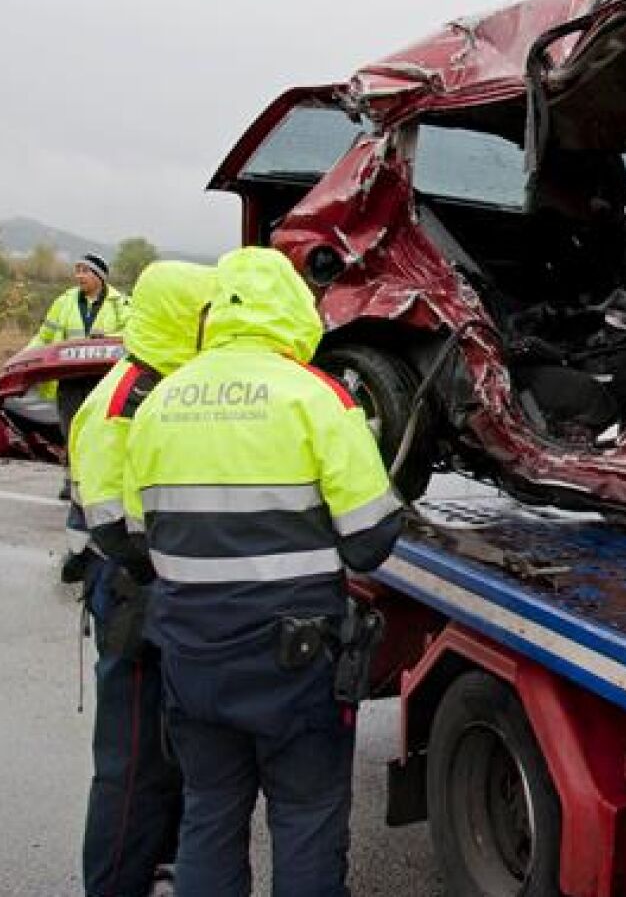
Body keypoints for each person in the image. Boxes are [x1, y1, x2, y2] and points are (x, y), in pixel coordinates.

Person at [123, 247, 403, 897]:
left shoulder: (161, 402)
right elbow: (369, 542)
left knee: (211, 814)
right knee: (305, 817)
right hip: (293, 660)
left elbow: (142, 536)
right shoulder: (318, 397)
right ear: (292, 309)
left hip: (190, 652)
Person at [69, 260, 214, 897]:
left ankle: (159, 865)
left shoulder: (166, 386)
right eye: (206, 316)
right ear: (180, 319)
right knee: (131, 763)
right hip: (134, 594)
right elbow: (112, 528)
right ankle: (114, 884)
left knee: (171, 749)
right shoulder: (125, 400)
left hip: (160, 591)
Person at [28, 252, 131, 407]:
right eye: (78, 271)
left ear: (100, 276)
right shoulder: (63, 302)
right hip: (69, 382)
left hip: (106, 382)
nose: (79, 276)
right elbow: (43, 337)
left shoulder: (121, 304)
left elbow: (133, 334)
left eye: (85, 271)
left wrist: (108, 338)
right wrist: (25, 359)